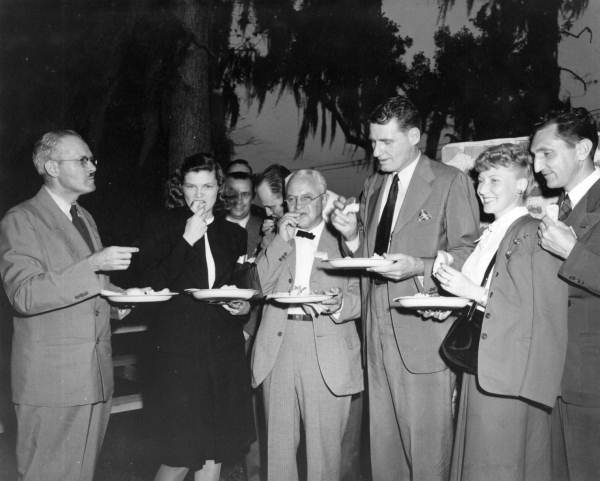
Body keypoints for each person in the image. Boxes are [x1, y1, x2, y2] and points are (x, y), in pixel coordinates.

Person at [330, 95, 480, 481]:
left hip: (423, 334)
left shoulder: (450, 182)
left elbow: (468, 253)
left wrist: (420, 267)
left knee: (428, 454)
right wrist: (349, 237)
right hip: (376, 334)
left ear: (414, 136)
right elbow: (367, 253)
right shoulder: (374, 184)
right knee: (385, 452)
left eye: (386, 142)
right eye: (373, 141)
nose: (376, 151)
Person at [0, 130, 138, 481]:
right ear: (51, 167)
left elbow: (83, 289)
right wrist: (93, 265)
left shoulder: (83, 217)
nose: (93, 166)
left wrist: (118, 301)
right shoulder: (21, 220)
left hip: (93, 379)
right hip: (52, 384)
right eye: (82, 160)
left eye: (92, 159)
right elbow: (25, 295)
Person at [432, 143, 568, 481]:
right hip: (484, 365)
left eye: (494, 181)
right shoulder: (494, 232)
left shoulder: (530, 232)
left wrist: (471, 292)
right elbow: (488, 297)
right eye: (480, 180)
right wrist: (449, 304)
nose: (482, 189)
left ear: (521, 185)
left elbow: (535, 312)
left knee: (495, 465)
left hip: (507, 374)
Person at [137, 153, 255, 481]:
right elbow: (151, 284)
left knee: (214, 451)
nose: (199, 195)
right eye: (191, 187)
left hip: (223, 354)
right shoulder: (161, 224)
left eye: (207, 186)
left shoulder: (233, 234)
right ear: (181, 189)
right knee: (180, 454)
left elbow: (237, 287)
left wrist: (242, 309)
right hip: (179, 356)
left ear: (220, 188)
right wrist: (187, 238)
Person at [252, 169, 363, 481]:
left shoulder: (347, 237)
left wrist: (341, 305)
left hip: (326, 348)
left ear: (323, 199)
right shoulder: (277, 236)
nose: (297, 205)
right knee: (278, 454)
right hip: (279, 346)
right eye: (291, 199)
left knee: (324, 457)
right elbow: (257, 287)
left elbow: (364, 294)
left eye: (306, 198)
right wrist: (278, 243)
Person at [531, 107, 600, 481]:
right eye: (534, 156)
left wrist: (572, 252)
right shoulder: (557, 208)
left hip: (591, 381)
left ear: (583, 148)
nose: (538, 167)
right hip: (553, 379)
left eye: (547, 154)